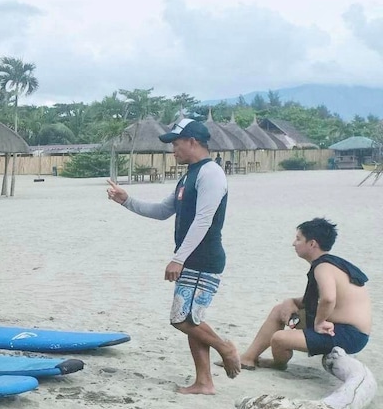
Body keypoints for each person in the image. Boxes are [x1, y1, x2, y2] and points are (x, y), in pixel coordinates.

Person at [106, 117, 240, 394]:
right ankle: (204, 382)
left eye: (177, 144)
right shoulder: (189, 175)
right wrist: (126, 201)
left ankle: (225, 347)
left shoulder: (211, 174)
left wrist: (178, 258)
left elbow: (204, 220)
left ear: (192, 142)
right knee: (193, 320)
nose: (173, 150)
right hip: (192, 257)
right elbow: (163, 211)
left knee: (182, 319)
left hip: (204, 258)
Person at [241, 217, 370, 368]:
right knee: (279, 310)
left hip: (349, 335)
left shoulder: (323, 267)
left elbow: (328, 299)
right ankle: (247, 358)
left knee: (279, 339)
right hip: (339, 327)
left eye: (298, 238)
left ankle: (278, 364)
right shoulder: (331, 264)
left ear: (312, 243)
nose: (293, 243)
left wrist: (320, 322)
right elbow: (311, 301)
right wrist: (290, 301)